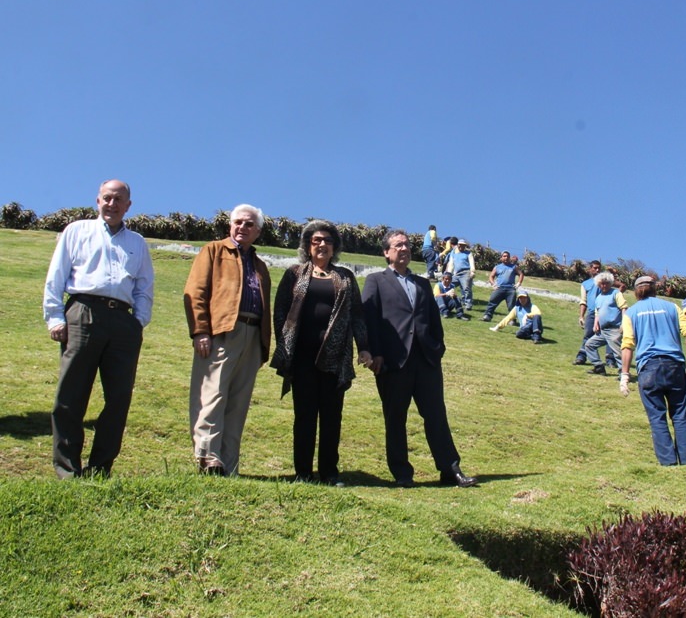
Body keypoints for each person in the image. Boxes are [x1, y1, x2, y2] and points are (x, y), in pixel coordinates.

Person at [43, 179, 155, 479]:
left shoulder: (137, 243)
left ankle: (100, 470)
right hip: (83, 314)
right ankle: (67, 470)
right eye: (107, 198)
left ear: (128, 206)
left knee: (118, 399)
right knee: (70, 396)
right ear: (97, 201)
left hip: (122, 322)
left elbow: (144, 287)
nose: (112, 204)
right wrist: (55, 317)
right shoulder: (77, 231)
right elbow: (56, 275)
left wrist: (138, 321)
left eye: (119, 199)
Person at [362, 229, 478, 488]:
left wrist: (438, 349)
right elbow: (368, 319)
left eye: (406, 245)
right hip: (393, 362)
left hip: (426, 361)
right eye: (397, 245)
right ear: (386, 252)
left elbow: (434, 321)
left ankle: (450, 469)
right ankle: (402, 473)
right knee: (395, 419)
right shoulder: (375, 281)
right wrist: (374, 352)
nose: (404, 248)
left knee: (436, 415)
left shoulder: (424, 284)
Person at [270, 221, 372, 486]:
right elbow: (280, 311)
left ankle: (329, 473)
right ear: (307, 246)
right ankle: (302, 473)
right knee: (304, 416)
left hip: (335, 359)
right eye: (316, 240)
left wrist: (364, 348)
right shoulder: (294, 273)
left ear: (334, 246)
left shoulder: (346, 277)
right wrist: (284, 345)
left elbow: (357, 315)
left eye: (327, 240)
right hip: (302, 357)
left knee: (331, 418)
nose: (322, 244)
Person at [184, 204, 271, 476]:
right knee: (212, 395)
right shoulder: (214, 250)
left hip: (253, 334)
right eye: (238, 222)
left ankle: (229, 466)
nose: (242, 227)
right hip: (222, 331)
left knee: (238, 403)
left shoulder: (260, 265)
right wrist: (200, 331)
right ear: (230, 225)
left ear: (257, 231)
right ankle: (207, 457)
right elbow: (195, 291)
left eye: (249, 224)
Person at [619, 276, 686, 466]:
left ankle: (668, 463)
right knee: (680, 414)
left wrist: (624, 375)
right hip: (674, 365)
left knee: (657, 417)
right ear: (655, 289)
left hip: (648, 368)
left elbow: (627, 344)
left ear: (636, 291)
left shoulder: (631, 313)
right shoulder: (672, 307)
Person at [585, 272, 628, 375]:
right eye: (601, 283)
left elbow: (624, 307)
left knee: (617, 352)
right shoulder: (599, 297)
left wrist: (624, 323)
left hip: (614, 329)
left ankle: (624, 372)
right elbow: (597, 312)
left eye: (606, 283)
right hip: (603, 330)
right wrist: (596, 324)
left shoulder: (616, 293)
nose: (604, 285)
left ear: (611, 283)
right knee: (589, 345)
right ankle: (599, 367)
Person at [481, 251, 524, 322]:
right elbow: (491, 276)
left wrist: (519, 283)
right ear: (501, 258)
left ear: (509, 258)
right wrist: (493, 284)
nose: (506, 257)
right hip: (499, 288)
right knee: (492, 302)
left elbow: (521, 274)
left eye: (507, 256)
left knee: (511, 306)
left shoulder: (514, 267)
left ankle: (512, 320)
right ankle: (487, 316)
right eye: (504, 256)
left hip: (510, 289)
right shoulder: (497, 267)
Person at [574, 260, 602, 365]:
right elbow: (583, 301)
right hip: (591, 313)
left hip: (605, 313)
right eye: (595, 268)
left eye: (599, 268)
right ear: (590, 269)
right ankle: (581, 356)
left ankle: (611, 360)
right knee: (588, 335)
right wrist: (581, 316)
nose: (597, 270)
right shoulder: (585, 284)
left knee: (610, 335)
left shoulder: (604, 281)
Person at [446, 239, 475, 311]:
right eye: (459, 244)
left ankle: (468, 304)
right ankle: (447, 301)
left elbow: (471, 263)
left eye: (462, 245)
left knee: (466, 288)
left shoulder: (468, 253)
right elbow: (451, 264)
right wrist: (449, 273)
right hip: (456, 274)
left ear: (465, 246)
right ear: (457, 245)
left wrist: (472, 271)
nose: (460, 246)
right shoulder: (453, 253)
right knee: (448, 285)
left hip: (466, 273)